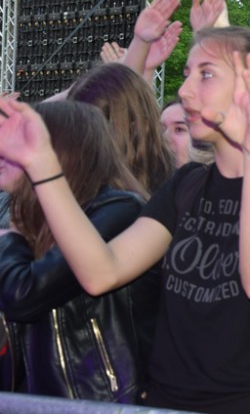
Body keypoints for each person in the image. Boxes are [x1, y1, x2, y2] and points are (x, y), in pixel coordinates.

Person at [0, 26, 250, 413]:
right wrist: (43, 165)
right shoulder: (187, 184)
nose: (185, 91)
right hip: (167, 399)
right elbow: (100, 273)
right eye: (187, 74)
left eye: (206, 74)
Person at [0, 101, 156, 403]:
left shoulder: (118, 211)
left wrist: (11, 239)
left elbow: (25, 295)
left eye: (17, 142)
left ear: (57, 150)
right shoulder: (28, 221)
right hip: (38, 403)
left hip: (108, 402)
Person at [67, 62, 176, 194]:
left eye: (95, 130)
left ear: (136, 128)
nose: (83, 141)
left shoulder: (175, 190)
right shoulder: (76, 179)